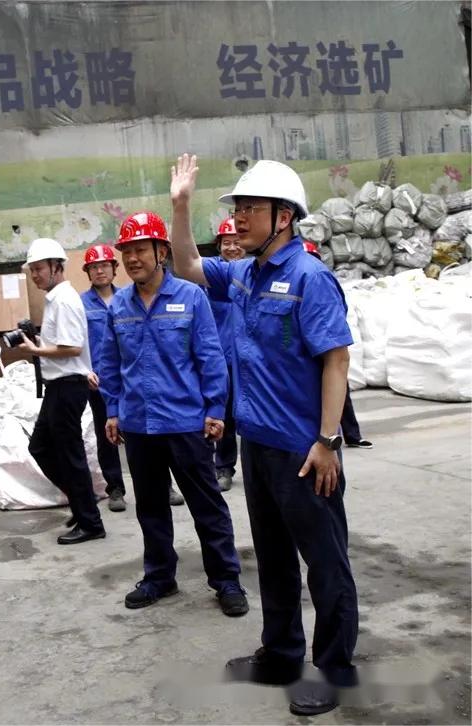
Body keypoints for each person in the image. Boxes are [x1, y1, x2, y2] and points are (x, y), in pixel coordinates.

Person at [169, 154, 358, 716]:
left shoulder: (309, 278)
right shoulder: (245, 274)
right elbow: (187, 266)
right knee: (273, 559)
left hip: (304, 450)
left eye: (251, 208)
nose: (239, 218)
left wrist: (328, 442)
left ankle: (335, 670)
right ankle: (281, 656)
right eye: (239, 208)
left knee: (325, 563)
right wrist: (180, 205)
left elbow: (337, 362)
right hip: (258, 445)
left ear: (284, 216)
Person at [96, 212, 248, 616]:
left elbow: (210, 356)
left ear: (161, 251)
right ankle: (160, 577)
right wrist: (112, 410)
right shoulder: (119, 305)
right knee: (150, 509)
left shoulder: (191, 296)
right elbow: (110, 362)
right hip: (138, 424)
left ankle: (226, 579)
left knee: (207, 506)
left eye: (140, 249)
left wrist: (215, 408)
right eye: (127, 251)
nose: (132, 258)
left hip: (185, 422)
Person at [19, 238, 105, 545]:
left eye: (39, 269)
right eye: (32, 270)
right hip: (59, 386)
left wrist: (35, 350)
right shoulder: (55, 298)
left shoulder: (65, 300)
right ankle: (83, 504)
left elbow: (72, 348)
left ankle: (90, 522)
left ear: (56, 266)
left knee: (70, 455)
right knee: (40, 448)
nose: (35, 275)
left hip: (68, 386)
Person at [303, 242, 372, 450]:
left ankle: (351, 435)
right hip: (305, 352)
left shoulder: (323, 282)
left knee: (339, 389)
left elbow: (338, 311)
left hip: (326, 345)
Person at [79, 244, 129, 512]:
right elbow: (77, 342)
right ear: (88, 272)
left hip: (130, 378)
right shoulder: (80, 304)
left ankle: (162, 485)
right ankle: (115, 488)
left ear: (114, 268)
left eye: (104, 266)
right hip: (99, 381)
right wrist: (85, 370)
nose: (100, 271)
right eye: (94, 267)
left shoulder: (129, 299)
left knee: (145, 432)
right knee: (106, 434)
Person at [209, 217, 244, 491]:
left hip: (249, 359)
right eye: (226, 243)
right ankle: (223, 467)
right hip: (220, 357)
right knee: (223, 416)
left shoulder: (253, 273)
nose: (232, 248)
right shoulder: (210, 277)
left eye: (236, 242)